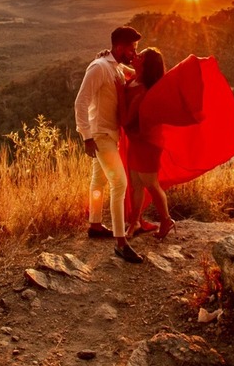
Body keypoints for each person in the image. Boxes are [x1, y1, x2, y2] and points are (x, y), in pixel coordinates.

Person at [73, 25, 145, 264]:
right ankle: (121, 242)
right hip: (100, 135)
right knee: (119, 183)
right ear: (120, 47)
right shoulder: (99, 68)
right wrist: (86, 136)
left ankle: (95, 224)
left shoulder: (114, 65)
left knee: (99, 181)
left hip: (109, 134)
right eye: (132, 48)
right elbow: (80, 103)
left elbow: (135, 73)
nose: (134, 53)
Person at [123, 47, 176, 240]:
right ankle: (134, 223)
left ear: (146, 65)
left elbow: (127, 120)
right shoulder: (136, 79)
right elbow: (127, 73)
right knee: (136, 184)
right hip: (136, 140)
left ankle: (166, 220)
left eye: (141, 56)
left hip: (147, 141)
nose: (136, 56)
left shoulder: (144, 89)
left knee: (150, 184)